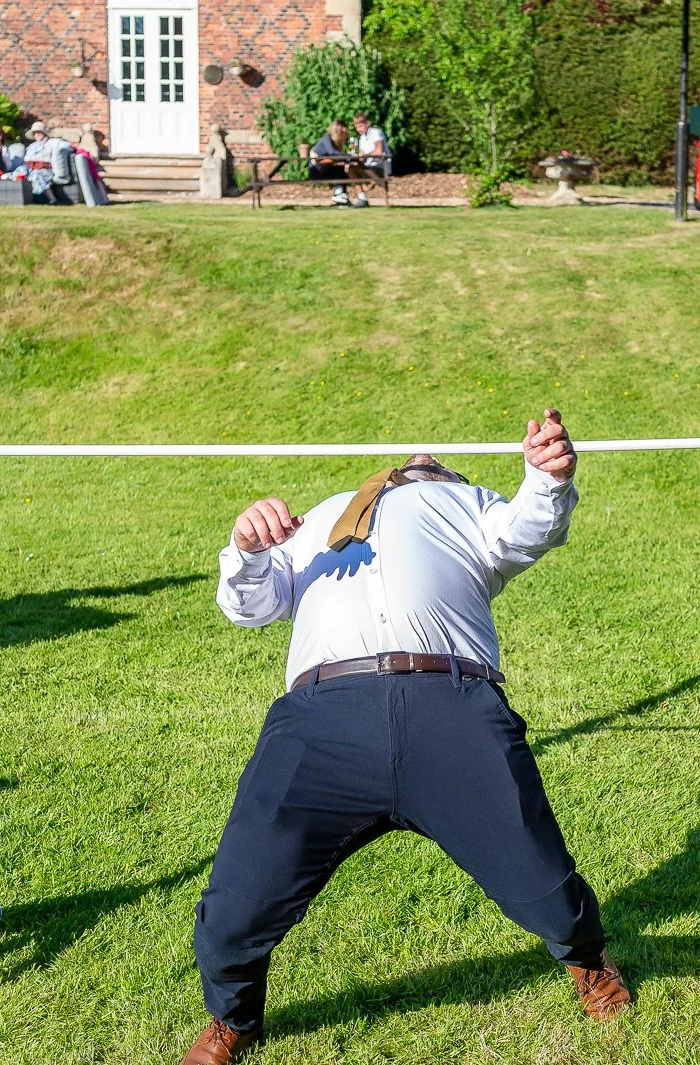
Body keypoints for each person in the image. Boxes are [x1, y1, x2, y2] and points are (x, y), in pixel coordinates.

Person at [184, 410, 629, 1065]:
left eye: (434, 459)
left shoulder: (467, 505)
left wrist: (546, 475)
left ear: (449, 474)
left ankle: (586, 957)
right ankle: (233, 1019)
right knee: (231, 914)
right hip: (319, 720)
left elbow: (532, 526)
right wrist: (249, 548)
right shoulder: (321, 518)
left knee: (544, 887)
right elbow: (250, 605)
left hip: (448, 705)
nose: (420, 454)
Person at [301, 119, 351, 206]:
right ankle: (339, 194)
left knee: (342, 171)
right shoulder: (326, 138)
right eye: (343, 133)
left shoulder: (337, 143)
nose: (345, 135)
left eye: (346, 133)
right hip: (316, 170)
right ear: (337, 131)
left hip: (326, 169)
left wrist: (346, 159)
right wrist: (349, 156)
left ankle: (340, 194)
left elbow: (336, 157)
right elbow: (332, 153)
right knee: (340, 170)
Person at [345, 112, 389, 209]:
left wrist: (365, 156)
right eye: (357, 127)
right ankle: (362, 198)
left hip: (380, 166)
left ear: (367, 123)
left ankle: (362, 199)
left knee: (352, 168)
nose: (358, 129)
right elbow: (364, 157)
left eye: (360, 126)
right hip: (368, 166)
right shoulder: (362, 138)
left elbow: (379, 151)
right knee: (350, 168)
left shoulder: (376, 133)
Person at [17, 121, 59, 202]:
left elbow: (49, 159)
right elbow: (26, 160)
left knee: (37, 175)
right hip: (30, 168)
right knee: (20, 171)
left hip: (45, 169)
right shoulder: (31, 147)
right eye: (35, 133)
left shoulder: (51, 143)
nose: (38, 134)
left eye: (40, 132)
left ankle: (52, 198)